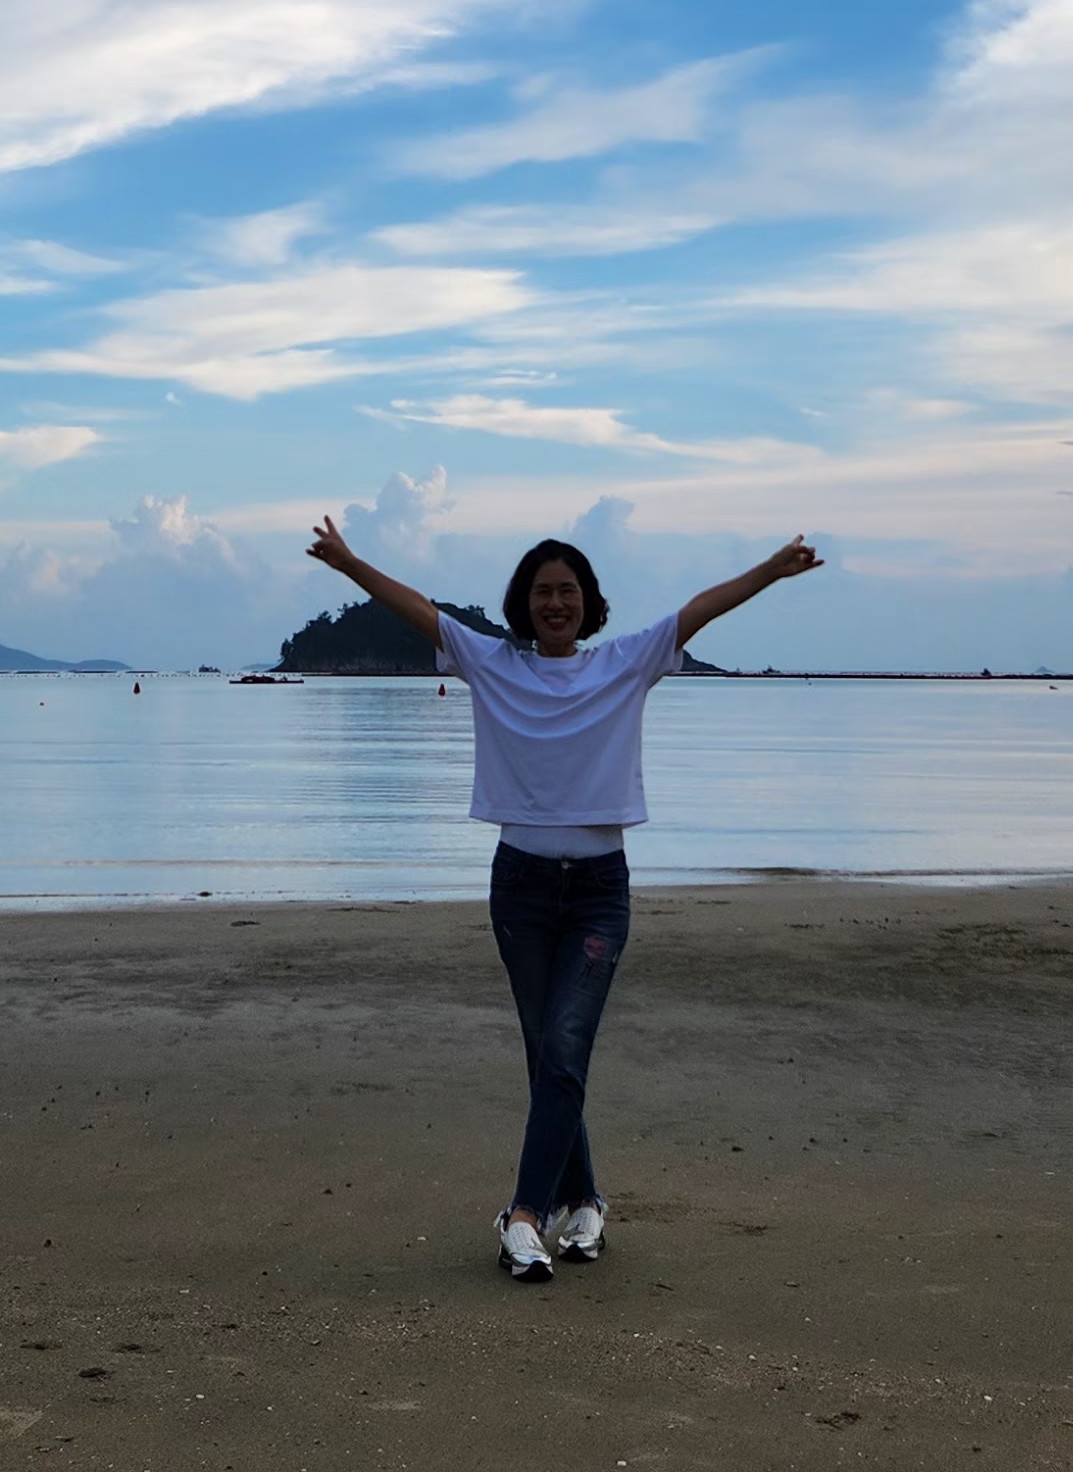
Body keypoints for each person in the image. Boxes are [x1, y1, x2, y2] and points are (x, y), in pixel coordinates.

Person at [303, 511, 821, 1282]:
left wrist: (770, 572)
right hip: (520, 887)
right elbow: (420, 610)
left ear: (588, 601)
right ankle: (584, 1203)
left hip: (599, 891)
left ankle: (522, 1215)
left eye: (568, 590)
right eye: (543, 591)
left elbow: (699, 609)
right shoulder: (491, 663)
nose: (556, 603)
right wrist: (349, 565)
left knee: (565, 1045)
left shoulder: (625, 662)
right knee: (549, 1052)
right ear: (525, 602)